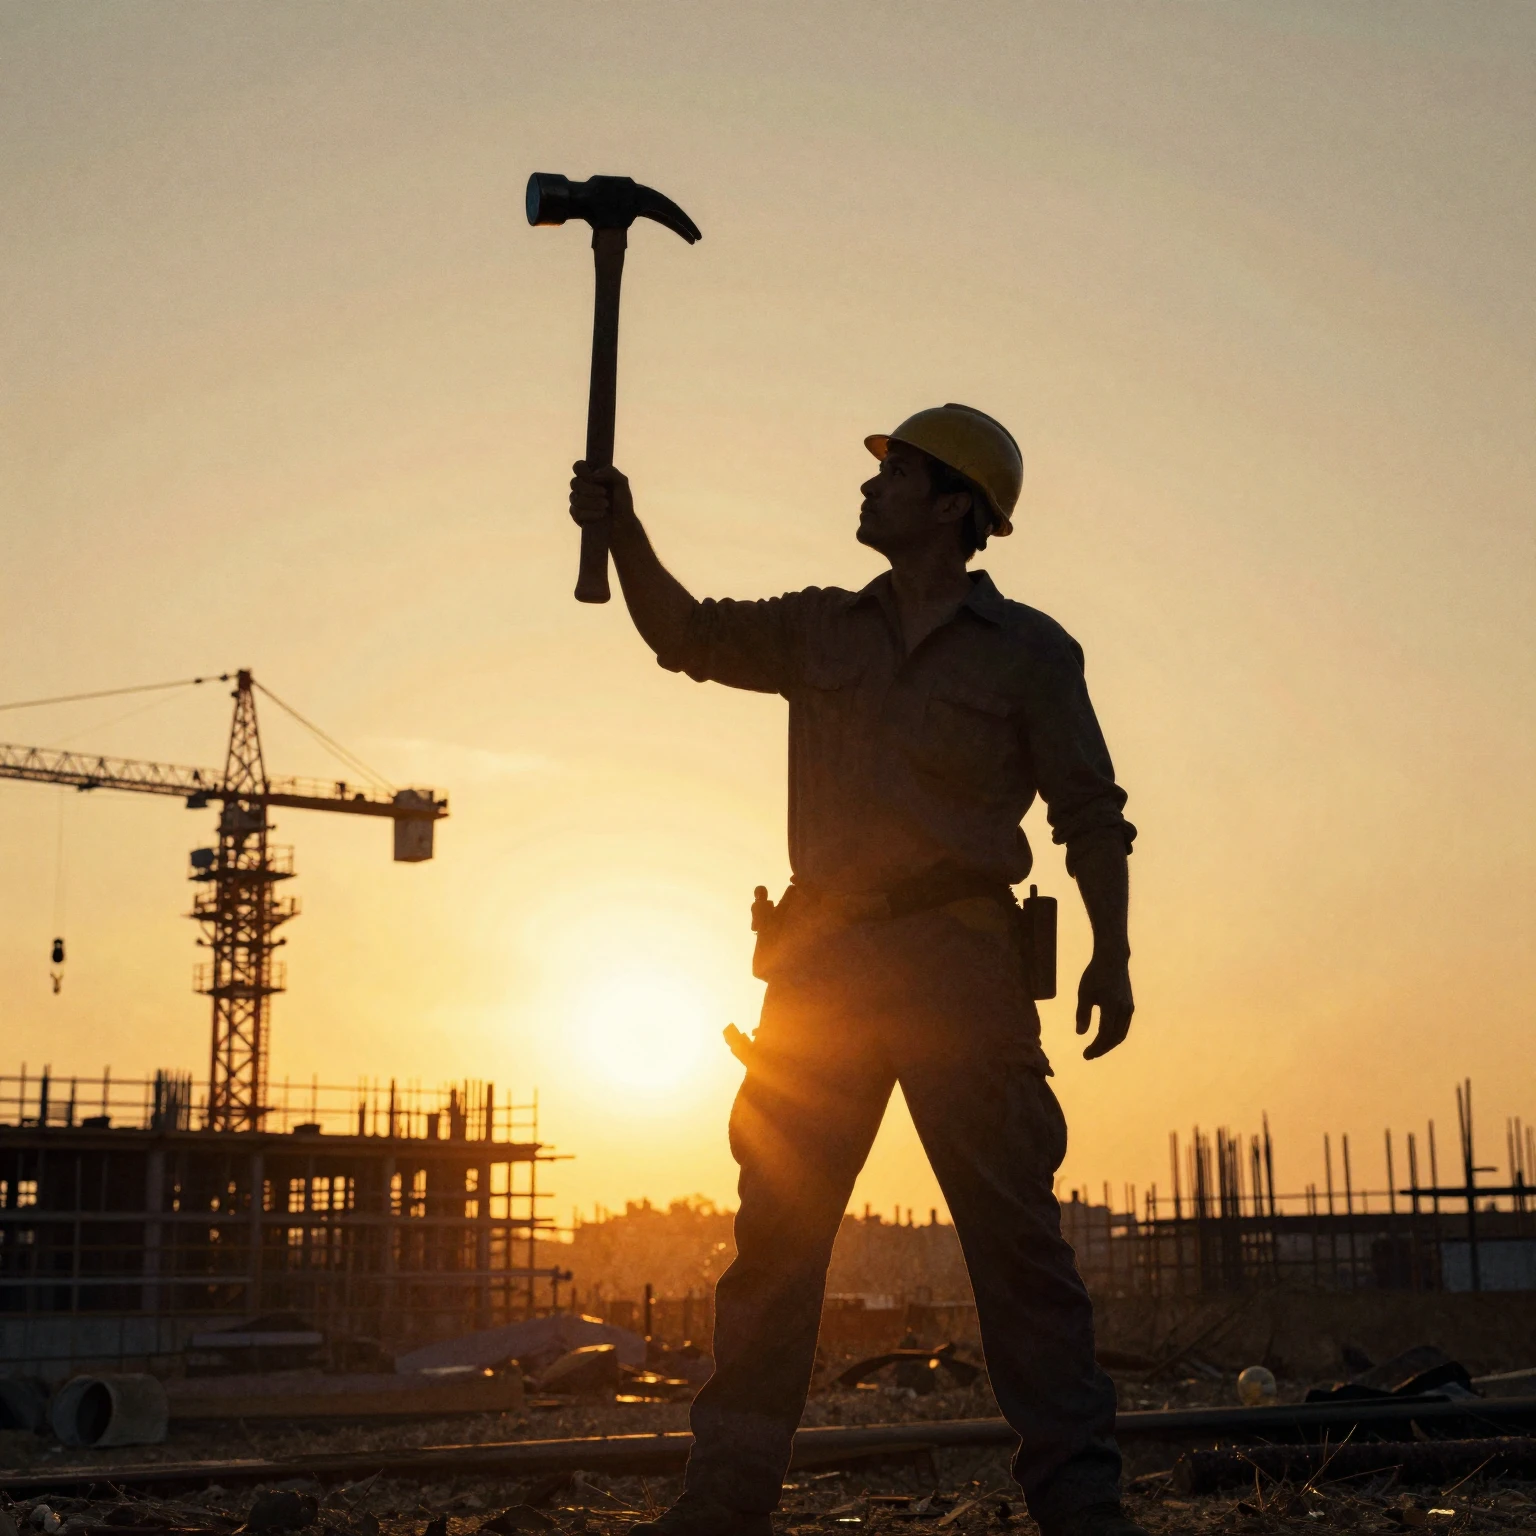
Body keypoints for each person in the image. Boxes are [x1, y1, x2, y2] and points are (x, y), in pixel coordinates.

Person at [568, 404, 1143, 1536]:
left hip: (961, 977)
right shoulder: (823, 629)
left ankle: (1084, 1512)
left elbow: (1093, 815)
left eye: (898, 475)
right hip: (822, 975)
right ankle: (724, 1506)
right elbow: (684, 634)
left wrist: (1113, 954)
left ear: (954, 509)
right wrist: (624, 530)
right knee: (776, 1250)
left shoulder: (1030, 653)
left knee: (1018, 1255)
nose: (870, 487)